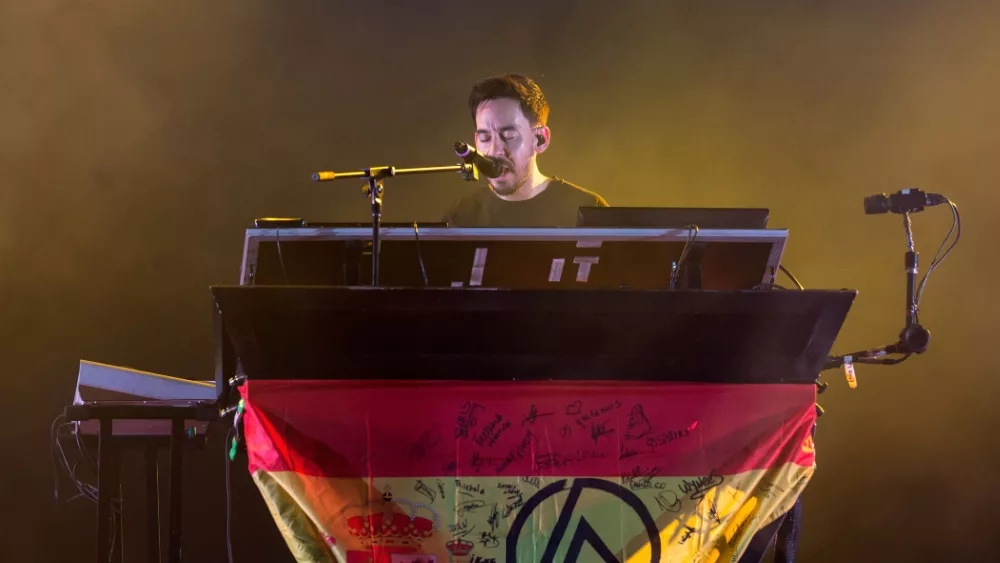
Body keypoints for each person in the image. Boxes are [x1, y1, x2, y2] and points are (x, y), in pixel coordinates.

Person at [443, 74, 608, 227]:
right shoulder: (461, 216)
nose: (495, 151)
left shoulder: (589, 209)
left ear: (540, 139)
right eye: (485, 138)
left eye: (509, 136)